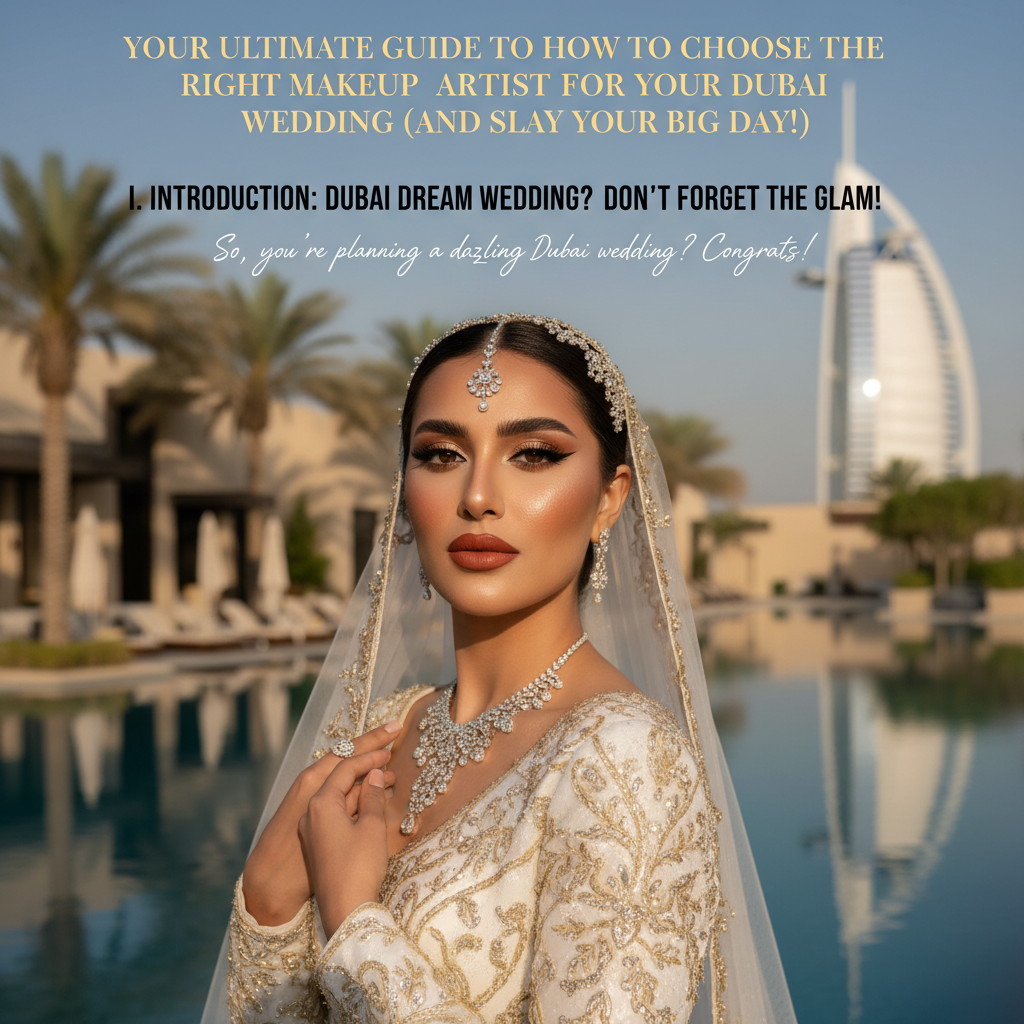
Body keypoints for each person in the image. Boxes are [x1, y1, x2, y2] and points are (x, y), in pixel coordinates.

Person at [202, 315, 796, 1024]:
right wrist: (269, 911)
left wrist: (357, 923)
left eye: (535, 454)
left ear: (609, 499)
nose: (477, 496)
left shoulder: (627, 760)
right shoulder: (386, 729)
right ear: (404, 493)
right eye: (442, 454)